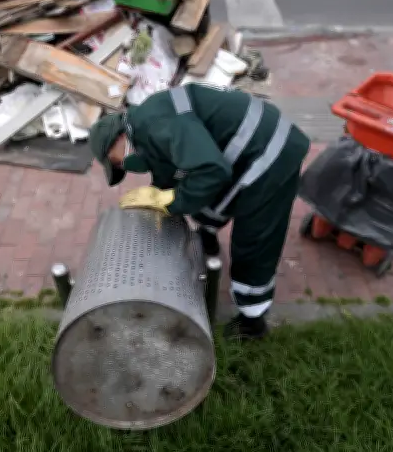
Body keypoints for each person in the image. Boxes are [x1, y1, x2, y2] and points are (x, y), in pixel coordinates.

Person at [89, 83, 310, 340]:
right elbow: (172, 168)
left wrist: (171, 201)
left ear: (117, 139)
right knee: (200, 194)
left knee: (254, 234)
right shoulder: (144, 127)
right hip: (244, 148)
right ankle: (208, 236)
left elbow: (212, 172)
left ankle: (252, 320)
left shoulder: (158, 124)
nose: (122, 166)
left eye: (116, 161)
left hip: (271, 150)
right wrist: (160, 195)